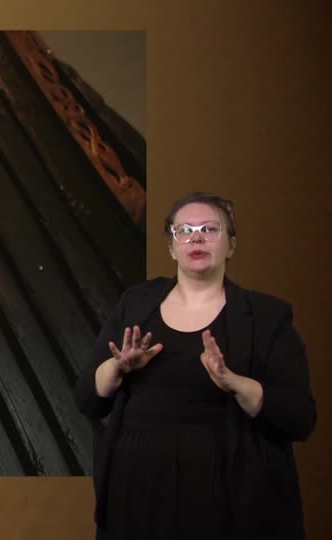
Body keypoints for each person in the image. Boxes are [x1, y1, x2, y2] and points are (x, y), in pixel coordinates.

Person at [74, 192, 317, 540]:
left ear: (231, 245)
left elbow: (300, 418)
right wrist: (118, 366)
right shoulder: (136, 301)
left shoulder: (267, 316)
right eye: (184, 230)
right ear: (172, 247)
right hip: (136, 490)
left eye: (209, 229)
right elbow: (86, 399)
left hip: (226, 495)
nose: (196, 237)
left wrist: (233, 382)